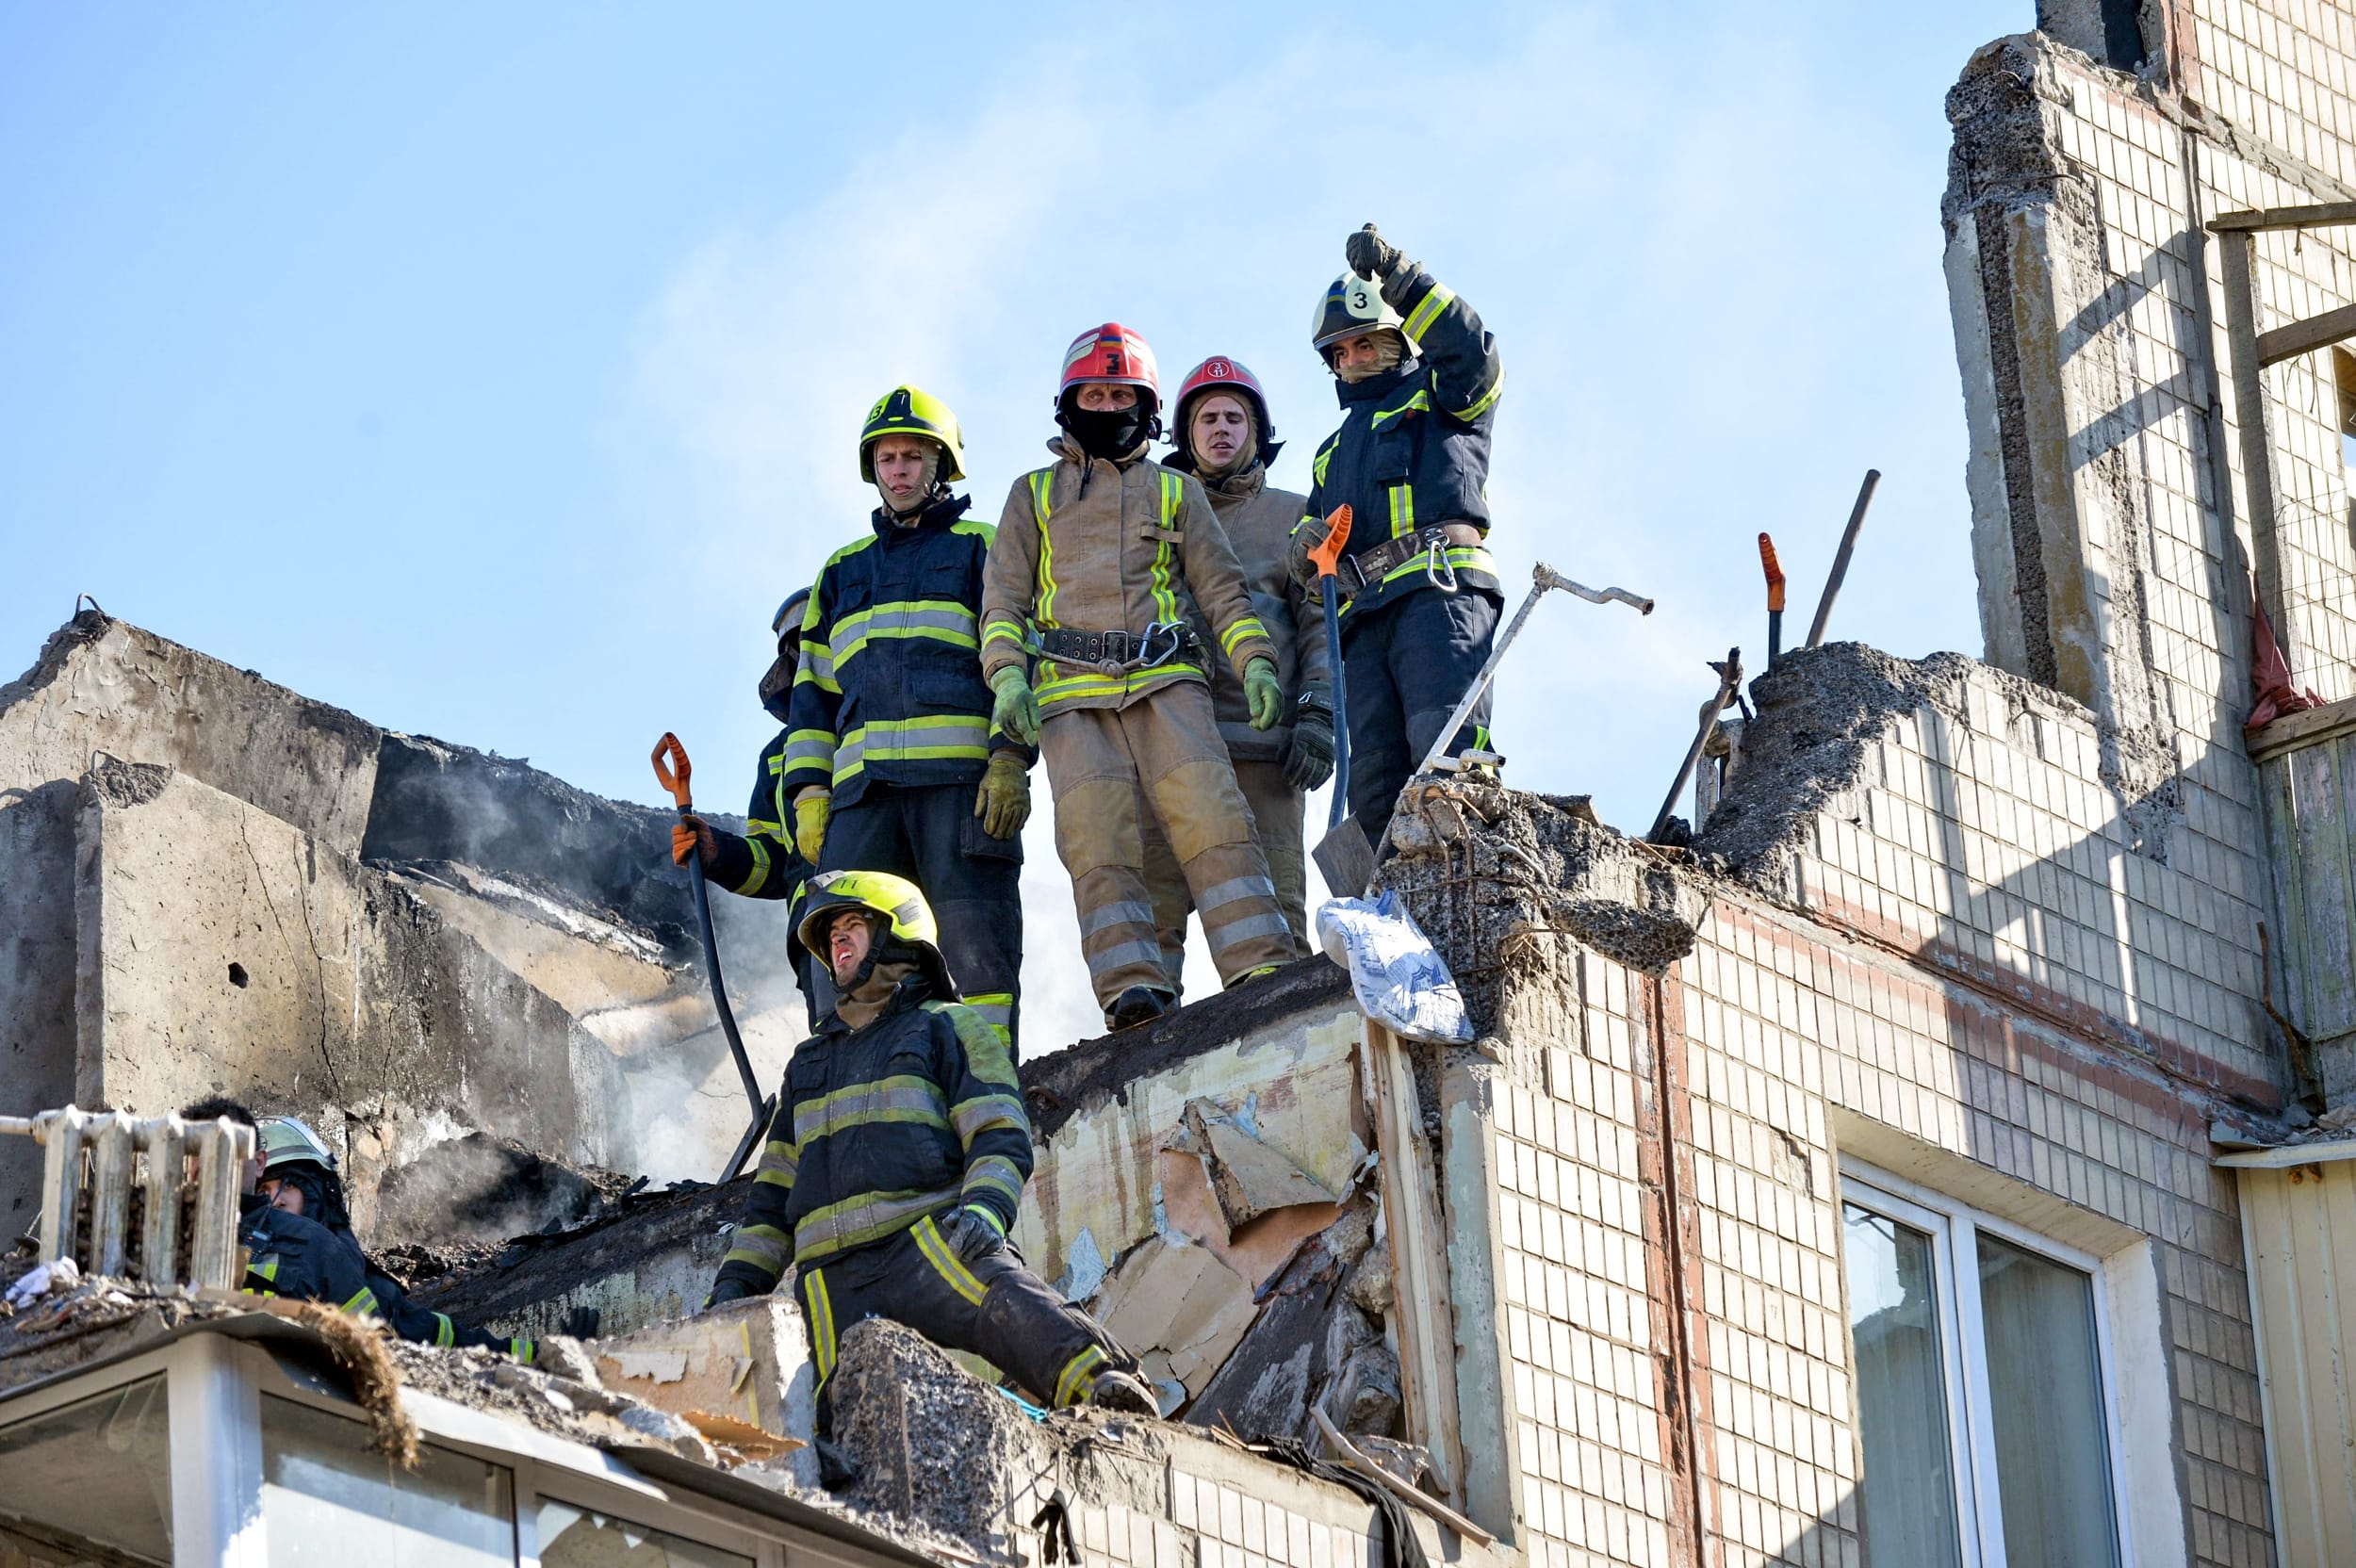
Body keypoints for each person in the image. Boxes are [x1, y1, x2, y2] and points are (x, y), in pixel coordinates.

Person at [704, 871, 1155, 1417]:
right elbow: (771, 1199)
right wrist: (733, 1289)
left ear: (899, 934)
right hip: (829, 1280)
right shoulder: (807, 1063)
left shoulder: (946, 1026)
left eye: (852, 925)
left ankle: (1106, 1390)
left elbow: (998, 1131)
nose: (837, 942)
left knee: (1007, 1304)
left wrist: (987, 1208)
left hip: (925, 1241)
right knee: (829, 1418)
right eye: (830, 936)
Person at [980, 324, 1301, 1032]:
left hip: (1169, 686)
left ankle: (1259, 962)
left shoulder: (1176, 491)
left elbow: (1223, 594)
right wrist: (1008, 678)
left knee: (1215, 821)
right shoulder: (1030, 496)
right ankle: (1133, 989)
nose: (1107, 405)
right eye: (1094, 393)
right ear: (1070, 404)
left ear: (1147, 406)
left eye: (1120, 393)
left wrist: (1254, 663)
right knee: (1098, 845)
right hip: (1069, 697)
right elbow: (1002, 601)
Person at [777, 388, 1030, 1051]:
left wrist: (1009, 759)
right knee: (849, 942)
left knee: (976, 940)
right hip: (863, 800)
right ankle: (857, 1084)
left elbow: (1015, 665)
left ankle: (991, 1079)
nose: (898, 470)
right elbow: (814, 693)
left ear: (939, 465)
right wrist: (809, 791)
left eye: (912, 457)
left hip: (959, 789)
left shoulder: (985, 548)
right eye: (886, 458)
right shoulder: (842, 570)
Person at [1288, 225, 1505, 856]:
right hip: (1365, 625)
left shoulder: (1441, 395)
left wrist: (1401, 278)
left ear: (1398, 338)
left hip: (1438, 597)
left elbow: (1471, 352)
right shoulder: (1330, 454)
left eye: (1366, 342)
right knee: (1377, 792)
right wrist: (1302, 549)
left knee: (1446, 758)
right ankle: (1396, 931)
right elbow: (1314, 555)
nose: (1352, 358)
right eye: (1340, 351)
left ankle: (1475, 888)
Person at [1143, 356, 1332, 984]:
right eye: (1206, 418)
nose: (1220, 429)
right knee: (1150, 927)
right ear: (1184, 435)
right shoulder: (1154, 520)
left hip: (1262, 756)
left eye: (1234, 417)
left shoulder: (1295, 518)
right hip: (1166, 752)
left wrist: (1317, 713)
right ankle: (1142, 1057)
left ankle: (1288, 1057)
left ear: (1257, 432)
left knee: (1273, 930)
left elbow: (1322, 625)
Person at [181, 1097, 532, 1359]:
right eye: (267, 1192)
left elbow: (400, 1347)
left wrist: (533, 1356)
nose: (277, 1201)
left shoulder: (323, 1253)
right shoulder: (170, 1233)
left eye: (288, 1186)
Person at [674, 586, 826, 1027]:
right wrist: (717, 853)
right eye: (799, 650)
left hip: (895, 920)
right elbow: (774, 862)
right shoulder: (777, 756)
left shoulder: (882, 727)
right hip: (815, 930)